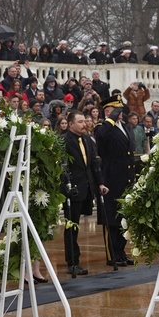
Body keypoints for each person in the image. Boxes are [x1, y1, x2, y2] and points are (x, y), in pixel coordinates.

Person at [62, 111, 106, 277]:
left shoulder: (88, 139)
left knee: (78, 224)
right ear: (71, 124)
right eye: (80, 122)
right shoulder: (64, 141)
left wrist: (100, 182)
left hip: (87, 186)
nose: (84, 124)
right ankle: (72, 261)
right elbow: (63, 166)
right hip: (73, 187)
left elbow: (95, 162)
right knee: (71, 226)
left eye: (84, 121)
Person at [94, 97, 136, 268]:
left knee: (123, 218)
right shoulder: (103, 127)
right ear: (108, 111)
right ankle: (113, 254)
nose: (120, 113)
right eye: (116, 110)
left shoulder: (125, 127)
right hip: (111, 178)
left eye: (121, 110)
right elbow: (100, 138)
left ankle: (121, 252)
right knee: (111, 219)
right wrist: (110, 120)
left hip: (125, 178)